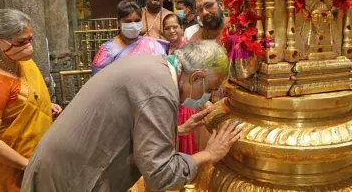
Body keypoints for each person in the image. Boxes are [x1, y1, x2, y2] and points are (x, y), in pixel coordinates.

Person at [22, 41, 241, 192]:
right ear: (197, 76)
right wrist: (208, 154)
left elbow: (130, 125)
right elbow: (161, 175)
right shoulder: (161, 88)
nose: (205, 98)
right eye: (208, 89)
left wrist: (179, 128)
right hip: (72, 178)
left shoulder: (154, 65)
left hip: (61, 165)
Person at [0, 8, 62, 191]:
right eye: (21, 41)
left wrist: (44, 106)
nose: (28, 46)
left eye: (30, 39)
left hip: (38, 158)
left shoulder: (24, 63)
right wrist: (27, 165)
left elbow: (26, 99)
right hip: (12, 168)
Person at [91, 0, 169, 75]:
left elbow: (163, 72)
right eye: (128, 21)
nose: (133, 25)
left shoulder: (152, 45)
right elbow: (99, 80)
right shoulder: (108, 51)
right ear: (119, 22)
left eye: (137, 20)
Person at [163, 14, 198, 155]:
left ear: (182, 28)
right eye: (167, 28)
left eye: (175, 27)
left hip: (185, 105)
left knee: (185, 146)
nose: (171, 31)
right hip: (167, 106)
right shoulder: (162, 50)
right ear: (163, 32)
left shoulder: (190, 49)